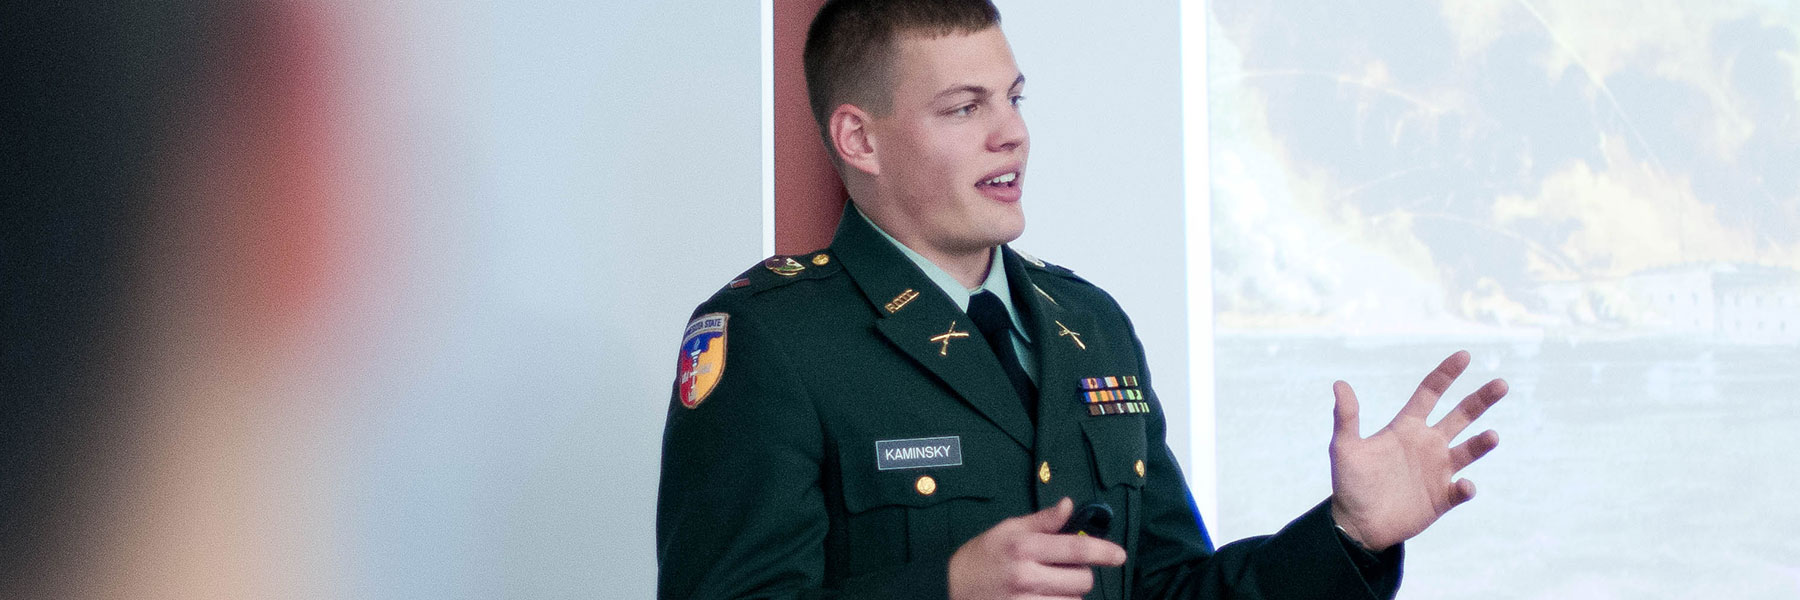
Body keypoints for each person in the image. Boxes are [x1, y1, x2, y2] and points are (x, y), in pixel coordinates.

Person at [655, 1, 1506, 598]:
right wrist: (945, 591)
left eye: (1014, 98)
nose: (1011, 132)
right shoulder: (775, 340)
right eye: (964, 107)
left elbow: (1168, 592)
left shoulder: (1088, 325)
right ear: (859, 138)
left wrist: (1348, 537)